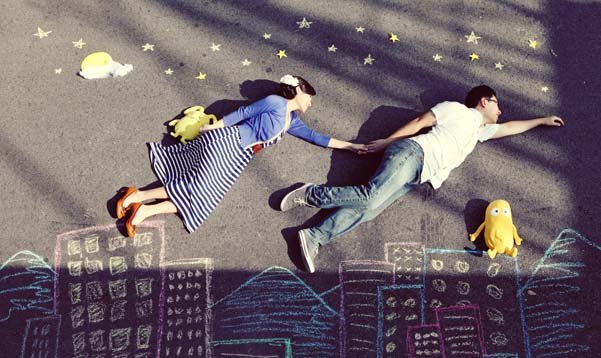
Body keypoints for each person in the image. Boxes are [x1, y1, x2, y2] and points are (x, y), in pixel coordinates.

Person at [279, 85, 564, 273]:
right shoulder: (457, 110)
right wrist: (385, 143)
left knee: (367, 210)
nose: (500, 113)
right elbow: (419, 123)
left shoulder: (479, 131)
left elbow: (509, 128)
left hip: (417, 174)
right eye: (497, 105)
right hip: (412, 154)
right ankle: (311, 194)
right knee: (370, 196)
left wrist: (540, 120)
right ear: (483, 101)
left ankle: (313, 236)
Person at [115, 75, 366, 237]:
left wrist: (351, 147)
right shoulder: (275, 101)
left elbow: (316, 137)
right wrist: (215, 126)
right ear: (298, 89)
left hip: (239, 156)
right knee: (197, 187)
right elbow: (244, 112)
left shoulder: (291, 120)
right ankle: (138, 200)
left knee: (203, 198)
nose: (311, 101)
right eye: (309, 95)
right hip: (229, 142)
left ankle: (140, 207)